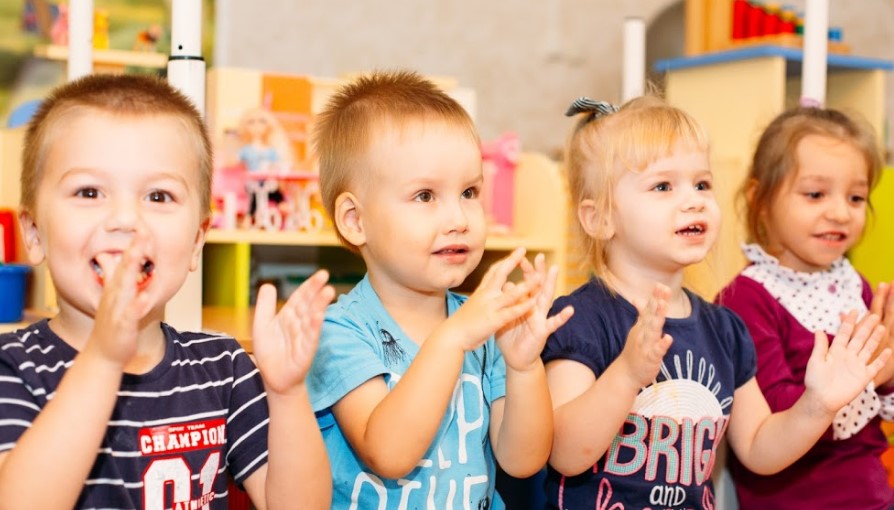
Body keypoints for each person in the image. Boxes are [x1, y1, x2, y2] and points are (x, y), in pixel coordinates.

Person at [0, 73, 333, 508]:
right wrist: (103, 358)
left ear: (196, 241)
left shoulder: (224, 368)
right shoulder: (14, 368)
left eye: (158, 196)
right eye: (89, 191)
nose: (126, 219)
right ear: (33, 233)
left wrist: (288, 395)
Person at [541, 96, 890, 509]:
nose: (694, 201)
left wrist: (818, 405)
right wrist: (627, 374)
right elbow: (565, 454)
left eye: (702, 184)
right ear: (599, 218)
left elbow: (759, 449)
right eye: (663, 186)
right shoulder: (578, 319)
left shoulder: (724, 329)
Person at [306, 70, 574, 509]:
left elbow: (523, 461)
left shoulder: (483, 328)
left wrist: (524, 368)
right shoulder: (339, 333)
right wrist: (452, 338)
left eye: (469, 192)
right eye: (425, 196)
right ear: (355, 220)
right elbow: (388, 454)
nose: (458, 219)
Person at [716, 106, 894, 509]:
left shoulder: (854, 285)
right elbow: (774, 416)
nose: (840, 213)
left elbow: (879, 412)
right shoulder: (746, 299)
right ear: (760, 199)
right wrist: (870, 379)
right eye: (815, 194)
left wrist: (888, 372)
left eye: (856, 197)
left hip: (872, 496)